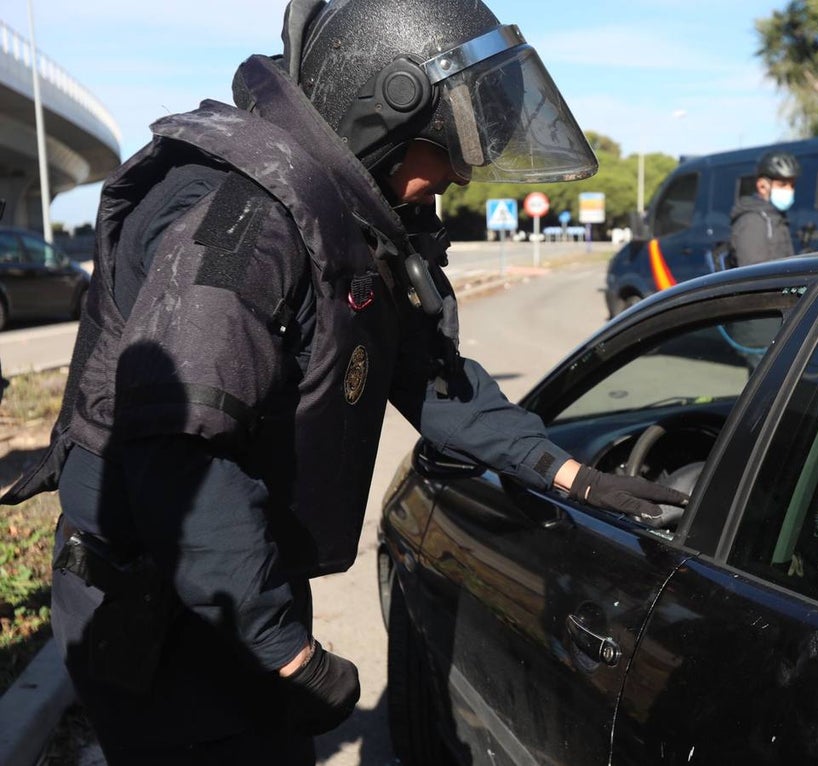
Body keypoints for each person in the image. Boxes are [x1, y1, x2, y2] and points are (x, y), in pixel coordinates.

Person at [0, 1, 688, 763]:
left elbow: (428, 375)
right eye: (456, 137)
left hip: (228, 576)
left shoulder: (344, 219)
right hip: (161, 607)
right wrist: (283, 651)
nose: (463, 171)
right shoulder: (242, 227)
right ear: (384, 108)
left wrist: (565, 472)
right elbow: (178, 453)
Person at [728, 150, 801, 266]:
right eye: (782, 185)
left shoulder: (776, 217)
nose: (789, 190)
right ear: (762, 186)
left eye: (792, 185)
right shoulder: (752, 222)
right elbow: (754, 274)